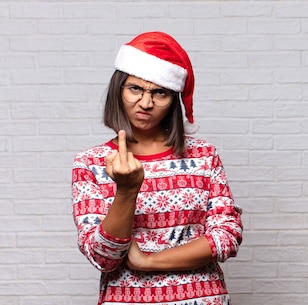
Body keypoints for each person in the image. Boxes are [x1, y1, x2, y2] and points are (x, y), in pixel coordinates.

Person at [71, 31, 243, 305]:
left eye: (159, 92)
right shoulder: (91, 162)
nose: (146, 103)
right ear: (119, 90)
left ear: (173, 99)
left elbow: (226, 235)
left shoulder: (203, 155)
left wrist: (149, 261)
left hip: (202, 299)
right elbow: (102, 256)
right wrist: (127, 190)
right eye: (135, 89)